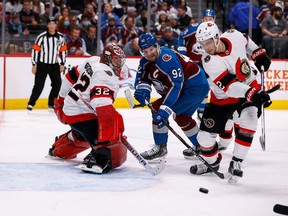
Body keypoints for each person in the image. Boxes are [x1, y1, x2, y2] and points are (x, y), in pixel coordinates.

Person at [190, 21, 271, 183]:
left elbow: (246, 40)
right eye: (202, 44)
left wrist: (258, 53)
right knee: (204, 140)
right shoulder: (208, 60)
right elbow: (230, 87)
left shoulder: (234, 35)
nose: (206, 47)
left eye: (208, 42)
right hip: (222, 98)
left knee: (250, 118)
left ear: (217, 37)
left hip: (248, 87)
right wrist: (252, 93)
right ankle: (212, 162)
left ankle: (237, 162)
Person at [48, 43, 127, 174]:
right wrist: (113, 130)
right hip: (82, 115)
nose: (118, 63)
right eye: (115, 59)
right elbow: (101, 105)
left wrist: (61, 100)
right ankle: (98, 159)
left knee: (81, 136)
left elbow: (70, 77)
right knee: (113, 141)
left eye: (119, 60)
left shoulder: (93, 60)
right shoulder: (106, 75)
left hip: (70, 109)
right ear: (107, 59)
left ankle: (58, 149)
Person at [134, 32, 210, 161]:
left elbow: (176, 86)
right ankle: (201, 147)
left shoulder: (166, 59)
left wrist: (165, 109)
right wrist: (143, 90)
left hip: (194, 86)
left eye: (151, 49)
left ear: (156, 46)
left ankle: (160, 148)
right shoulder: (144, 61)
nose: (149, 54)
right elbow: (141, 78)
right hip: (193, 86)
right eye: (145, 51)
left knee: (158, 109)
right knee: (182, 118)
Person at [178, 9, 234, 158]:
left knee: (215, 99)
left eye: (211, 18)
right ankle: (205, 141)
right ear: (202, 18)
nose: (208, 20)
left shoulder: (218, 34)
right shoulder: (194, 30)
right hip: (195, 68)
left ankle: (211, 140)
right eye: (206, 18)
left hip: (213, 69)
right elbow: (181, 39)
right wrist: (183, 56)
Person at [27, 17, 67, 111]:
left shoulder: (60, 37)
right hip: (42, 64)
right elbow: (35, 51)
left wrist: (62, 64)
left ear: (56, 25)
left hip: (54, 65)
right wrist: (34, 64)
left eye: (53, 24)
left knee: (57, 85)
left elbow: (64, 51)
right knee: (38, 85)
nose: (52, 26)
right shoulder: (42, 37)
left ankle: (51, 104)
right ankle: (31, 104)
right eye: (50, 24)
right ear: (47, 25)